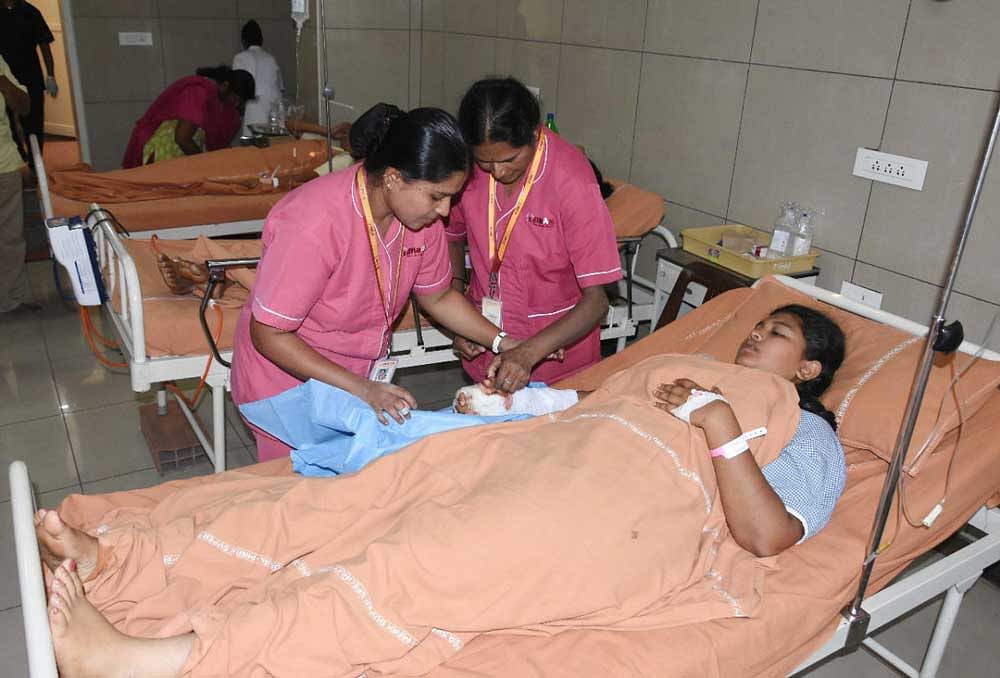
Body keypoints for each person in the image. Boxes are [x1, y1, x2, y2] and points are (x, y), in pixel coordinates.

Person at [33, 304, 846, 677]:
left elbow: (771, 537)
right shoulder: (682, 368)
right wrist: (509, 403)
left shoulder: (807, 432)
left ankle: (164, 660)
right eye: (756, 322)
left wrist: (721, 427)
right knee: (341, 501)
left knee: (413, 562)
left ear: (807, 370)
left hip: (612, 514)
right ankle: (122, 559)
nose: (751, 334)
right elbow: (590, 406)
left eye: (775, 335)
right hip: (540, 453)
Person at [228, 103, 516, 461]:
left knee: (349, 489)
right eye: (437, 196)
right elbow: (269, 333)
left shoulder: (421, 223)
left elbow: (439, 297)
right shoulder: (315, 223)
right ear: (393, 178)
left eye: (451, 198)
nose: (444, 211)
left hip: (354, 380)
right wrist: (363, 389)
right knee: (299, 493)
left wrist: (503, 342)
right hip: (288, 385)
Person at [446, 77, 623, 394]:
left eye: (509, 159)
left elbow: (598, 299)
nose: (497, 172)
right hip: (485, 343)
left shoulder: (571, 179)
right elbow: (452, 236)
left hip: (558, 363)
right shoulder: (467, 169)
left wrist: (529, 353)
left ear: (534, 133)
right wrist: (458, 312)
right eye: (485, 161)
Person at [121, 66, 255, 168]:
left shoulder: (223, 104)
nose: (236, 104)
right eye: (236, 99)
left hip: (180, 152)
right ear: (225, 86)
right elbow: (182, 138)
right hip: (161, 146)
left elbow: (218, 144)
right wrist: (207, 166)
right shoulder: (198, 92)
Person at [0, 54, 38, 314]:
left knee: (10, 236)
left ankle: (10, 299)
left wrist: (2, 81)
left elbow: (24, 107)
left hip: (4, 163)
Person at [0, 0, 56, 161]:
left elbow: (44, 45)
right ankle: (18, 156)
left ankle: (35, 162)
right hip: (4, 77)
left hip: (30, 76)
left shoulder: (31, 12)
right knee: (7, 122)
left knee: (34, 123)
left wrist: (51, 75)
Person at [232, 20, 284, 137]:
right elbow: (280, 88)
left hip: (254, 113)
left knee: (253, 150)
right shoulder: (271, 58)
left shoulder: (240, 58)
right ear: (261, 40)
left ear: (243, 41)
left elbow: (238, 91)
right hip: (275, 113)